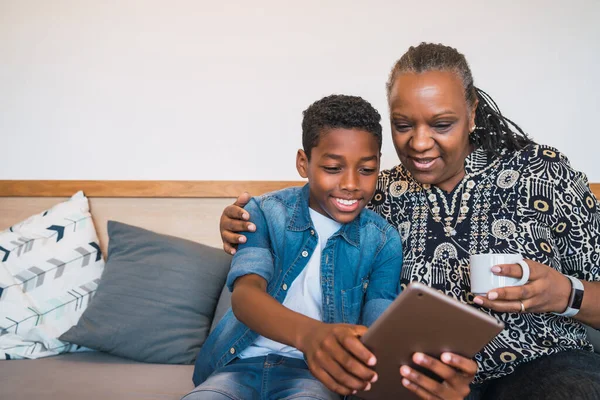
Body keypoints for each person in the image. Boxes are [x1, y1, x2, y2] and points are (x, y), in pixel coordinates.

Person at [219, 43, 600, 399]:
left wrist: (567, 294)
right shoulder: (372, 195)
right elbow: (298, 219)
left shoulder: (544, 174)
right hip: (420, 381)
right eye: (403, 126)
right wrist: (241, 221)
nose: (418, 143)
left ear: (472, 115)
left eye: (441, 124)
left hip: (544, 368)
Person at [186, 94, 477, 400]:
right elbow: (245, 298)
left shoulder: (381, 241)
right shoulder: (265, 213)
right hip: (239, 365)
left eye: (366, 170)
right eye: (333, 168)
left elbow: (377, 326)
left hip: (314, 376)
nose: (351, 183)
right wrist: (313, 335)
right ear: (304, 163)